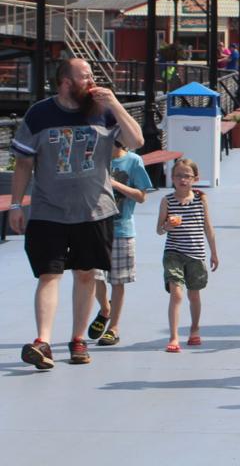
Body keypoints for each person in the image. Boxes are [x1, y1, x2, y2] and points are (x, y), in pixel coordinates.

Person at [10, 57, 144, 370]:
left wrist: (115, 104)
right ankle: (43, 341)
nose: (92, 80)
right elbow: (24, 163)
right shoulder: (39, 114)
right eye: (86, 76)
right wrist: (16, 205)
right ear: (66, 82)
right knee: (49, 274)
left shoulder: (103, 110)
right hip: (48, 210)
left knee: (86, 274)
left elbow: (136, 140)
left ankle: (77, 338)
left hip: (94, 210)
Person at [87, 139, 153, 347]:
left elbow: (142, 196)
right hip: (96, 227)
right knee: (93, 276)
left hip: (122, 228)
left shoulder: (133, 161)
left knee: (117, 280)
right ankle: (105, 309)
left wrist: (114, 184)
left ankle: (113, 328)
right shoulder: (95, 159)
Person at [156, 158, 219, 353]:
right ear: (172, 178)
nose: (182, 180)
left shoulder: (201, 199)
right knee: (176, 293)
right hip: (173, 252)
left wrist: (214, 252)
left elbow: (208, 226)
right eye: (178, 176)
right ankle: (174, 336)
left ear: (195, 178)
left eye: (187, 176)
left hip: (196, 253)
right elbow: (159, 229)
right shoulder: (167, 200)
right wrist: (167, 225)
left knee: (194, 294)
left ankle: (194, 328)